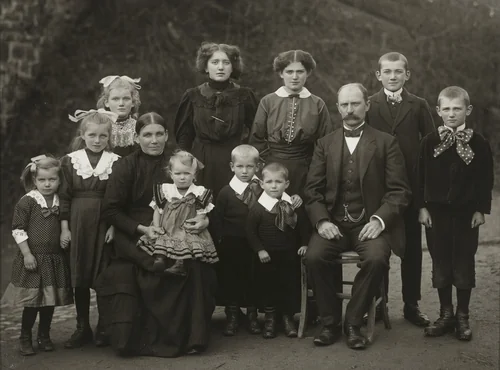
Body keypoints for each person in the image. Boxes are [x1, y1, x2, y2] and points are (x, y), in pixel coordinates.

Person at [95, 112, 216, 357]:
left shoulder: (179, 164)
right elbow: (111, 210)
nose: (154, 140)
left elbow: (199, 200)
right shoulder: (126, 165)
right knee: (148, 264)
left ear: (167, 135)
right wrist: (143, 229)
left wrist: (203, 220)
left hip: (177, 228)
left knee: (194, 264)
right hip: (134, 228)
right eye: (147, 135)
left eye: (159, 134)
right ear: (137, 137)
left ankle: (192, 337)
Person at [304, 83, 411, 350]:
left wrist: (379, 220)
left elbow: (400, 191)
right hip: (334, 225)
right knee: (314, 257)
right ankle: (329, 323)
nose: (350, 110)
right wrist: (322, 221)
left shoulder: (386, 142)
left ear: (367, 105)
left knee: (376, 258)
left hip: (370, 225)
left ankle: (352, 322)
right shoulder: (324, 144)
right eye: (345, 105)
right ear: (338, 108)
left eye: (355, 104)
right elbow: (312, 191)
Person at [416, 86, 494, 341]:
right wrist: (422, 207)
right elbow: (419, 177)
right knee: (440, 263)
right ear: (438, 111)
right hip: (435, 214)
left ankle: (462, 316)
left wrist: (481, 209)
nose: (451, 114)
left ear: (467, 110)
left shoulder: (479, 143)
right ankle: (446, 313)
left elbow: (486, 179)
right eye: (446, 109)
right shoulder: (429, 142)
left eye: (457, 109)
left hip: (465, 215)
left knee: (463, 262)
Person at [366, 52, 435, 326]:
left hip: (409, 189)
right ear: (378, 75)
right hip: (378, 190)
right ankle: (377, 302)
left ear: (407, 75)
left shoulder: (418, 105)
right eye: (387, 71)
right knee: (378, 248)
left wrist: (423, 200)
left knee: (411, 251)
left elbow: (430, 149)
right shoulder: (369, 104)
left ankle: (411, 304)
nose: (392, 76)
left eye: (398, 71)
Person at [214, 145, 303, 336]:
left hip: (258, 243)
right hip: (233, 243)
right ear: (232, 167)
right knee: (233, 279)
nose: (245, 171)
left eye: (249, 167)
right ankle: (232, 316)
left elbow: (281, 199)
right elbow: (217, 220)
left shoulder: (262, 186)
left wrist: (294, 198)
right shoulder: (226, 192)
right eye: (240, 167)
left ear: (257, 167)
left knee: (255, 280)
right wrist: (220, 242)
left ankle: (253, 316)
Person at [60, 109, 121, 348]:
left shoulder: (115, 162)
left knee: (103, 273)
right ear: (83, 135)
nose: (97, 141)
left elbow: (117, 198)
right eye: (92, 135)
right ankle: (81, 326)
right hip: (77, 222)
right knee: (80, 275)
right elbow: (64, 196)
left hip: (104, 222)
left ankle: (103, 326)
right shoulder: (70, 160)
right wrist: (65, 228)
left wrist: (114, 227)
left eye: (103, 136)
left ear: (109, 138)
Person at [1, 156, 73, 355]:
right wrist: (27, 254)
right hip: (34, 258)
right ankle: (25, 337)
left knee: (49, 301)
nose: (47, 184)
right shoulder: (28, 202)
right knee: (32, 302)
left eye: (52, 179)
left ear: (59, 180)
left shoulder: (61, 201)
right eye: (42, 180)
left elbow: (64, 222)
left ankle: (44, 335)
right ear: (35, 180)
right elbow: (18, 229)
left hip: (53, 259)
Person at [175, 42, 258, 198]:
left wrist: (246, 156)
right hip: (202, 161)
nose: (221, 67)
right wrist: (184, 163)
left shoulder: (245, 95)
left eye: (226, 63)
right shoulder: (193, 95)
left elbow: (257, 131)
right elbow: (184, 136)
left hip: (235, 162)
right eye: (215, 62)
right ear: (206, 67)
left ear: (232, 67)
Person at [249, 49, 333, 197]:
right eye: (289, 72)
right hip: (272, 166)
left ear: (308, 73)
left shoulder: (317, 104)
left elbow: (325, 142)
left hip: (305, 168)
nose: (294, 77)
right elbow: (257, 138)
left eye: (300, 72)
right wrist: (267, 166)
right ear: (281, 73)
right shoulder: (268, 101)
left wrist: (314, 169)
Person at [246, 162, 311, 339]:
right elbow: (250, 232)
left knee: (288, 285)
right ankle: (270, 319)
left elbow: (303, 227)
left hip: (289, 255)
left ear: (287, 184)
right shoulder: (258, 208)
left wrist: (305, 244)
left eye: (278, 182)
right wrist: (260, 250)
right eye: (269, 182)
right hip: (267, 257)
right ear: (261, 184)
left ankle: (287, 318)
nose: (273, 186)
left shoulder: (292, 206)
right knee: (268, 287)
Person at [138, 150, 218, 276]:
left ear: (194, 175)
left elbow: (201, 213)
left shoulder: (199, 192)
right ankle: (160, 258)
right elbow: (158, 210)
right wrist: (157, 226)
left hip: (187, 226)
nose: (182, 177)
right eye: (178, 173)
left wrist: (198, 223)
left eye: (187, 173)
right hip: (167, 226)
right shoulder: (165, 190)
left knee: (185, 241)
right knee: (163, 238)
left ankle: (180, 264)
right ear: (171, 174)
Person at [97, 75, 142, 157]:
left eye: (126, 99)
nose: (121, 103)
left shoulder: (138, 127)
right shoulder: (99, 126)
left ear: (132, 102)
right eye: (115, 99)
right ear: (106, 102)